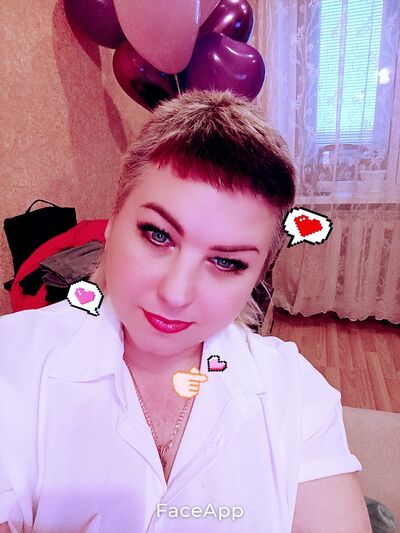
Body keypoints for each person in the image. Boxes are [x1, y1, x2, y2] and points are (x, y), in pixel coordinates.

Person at [0, 89, 371, 532]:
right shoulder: (14, 360)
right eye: (158, 235)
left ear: (259, 275)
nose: (176, 293)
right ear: (113, 222)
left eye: (226, 262)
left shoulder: (296, 394)